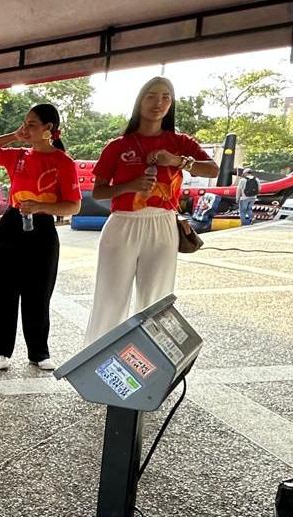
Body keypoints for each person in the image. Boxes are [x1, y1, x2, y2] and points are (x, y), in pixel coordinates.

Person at [84, 77, 220, 343]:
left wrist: (178, 161)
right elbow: (98, 191)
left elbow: (212, 169)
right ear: (139, 100)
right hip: (123, 223)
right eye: (151, 96)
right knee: (110, 298)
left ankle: (150, 364)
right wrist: (129, 186)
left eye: (165, 97)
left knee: (155, 300)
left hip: (163, 224)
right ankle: (96, 363)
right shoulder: (117, 146)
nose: (158, 103)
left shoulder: (180, 142)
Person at [0, 103, 81, 372]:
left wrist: (41, 207)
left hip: (43, 227)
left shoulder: (63, 162)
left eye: (32, 124)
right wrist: (14, 135)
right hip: (11, 224)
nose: (26, 128)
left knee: (39, 291)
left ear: (49, 129)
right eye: (25, 123)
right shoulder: (18, 155)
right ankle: (0, 350)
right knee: (2, 290)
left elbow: (73, 206)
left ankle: (38, 351)